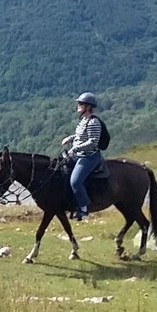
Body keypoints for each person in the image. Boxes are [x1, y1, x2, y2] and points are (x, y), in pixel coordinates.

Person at [61, 92, 103, 221]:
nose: (78, 105)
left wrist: (75, 148)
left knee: (75, 181)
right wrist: (70, 138)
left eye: (81, 104)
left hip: (88, 157)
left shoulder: (93, 122)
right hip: (78, 155)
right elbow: (80, 136)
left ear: (88, 107)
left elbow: (92, 142)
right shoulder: (83, 120)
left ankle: (84, 209)